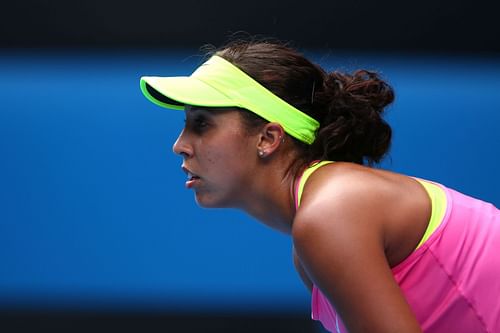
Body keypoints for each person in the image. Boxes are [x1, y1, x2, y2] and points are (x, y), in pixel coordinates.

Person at [139, 40, 500, 333]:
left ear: (268, 137)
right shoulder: (311, 243)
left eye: (201, 124)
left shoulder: (330, 214)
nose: (180, 144)